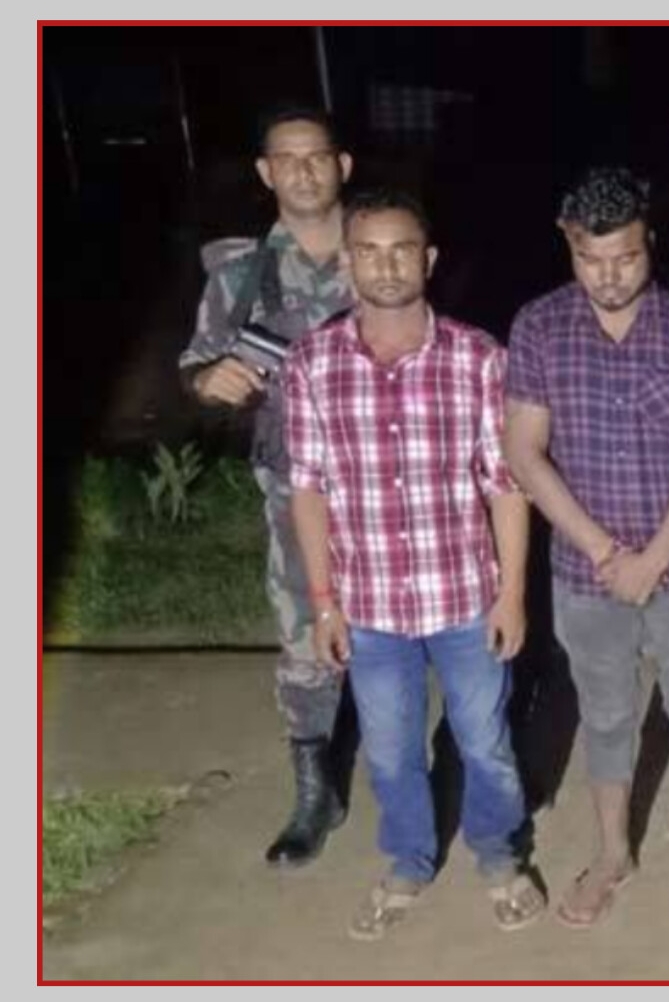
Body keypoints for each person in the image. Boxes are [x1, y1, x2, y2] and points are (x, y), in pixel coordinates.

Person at [284, 189, 543, 940]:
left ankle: (499, 854)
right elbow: (308, 489)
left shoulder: (478, 356)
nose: (387, 266)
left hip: (464, 596)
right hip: (369, 608)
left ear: (427, 260)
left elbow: (505, 485)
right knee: (392, 750)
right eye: (369, 251)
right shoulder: (312, 362)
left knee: (484, 741)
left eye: (402, 250)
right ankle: (408, 860)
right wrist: (323, 602)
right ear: (347, 263)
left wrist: (512, 594)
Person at [504, 167, 669, 926]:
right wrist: (607, 554)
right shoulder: (539, 326)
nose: (609, 276)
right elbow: (525, 453)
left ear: (650, 243)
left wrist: (653, 559)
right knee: (605, 715)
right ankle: (613, 853)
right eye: (591, 259)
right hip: (585, 570)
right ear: (568, 245)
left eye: (626, 258)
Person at [177, 106, 357, 867]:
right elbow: (198, 365)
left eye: (317, 157)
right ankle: (316, 791)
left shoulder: (386, 248)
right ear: (266, 172)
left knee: (431, 633)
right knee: (305, 637)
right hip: (292, 490)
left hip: (392, 484)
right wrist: (206, 381)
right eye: (287, 159)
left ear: (342, 165)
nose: (304, 171)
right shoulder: (241, 273)